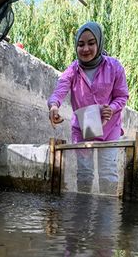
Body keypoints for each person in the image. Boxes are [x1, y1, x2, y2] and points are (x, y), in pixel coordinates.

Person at [47, 21, 129, 194]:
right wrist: (54, 105)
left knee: (108, 173)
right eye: (80, 44)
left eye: (91, 43)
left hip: (109, 127)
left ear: (99, 44)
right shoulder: (72, 70)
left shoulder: (114, 66)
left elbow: (122, 96)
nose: (85, 49)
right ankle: (83, 213)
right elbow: (60, 88)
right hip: (83, 127)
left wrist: (112, 108)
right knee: (84, 173)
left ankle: (106, 212)